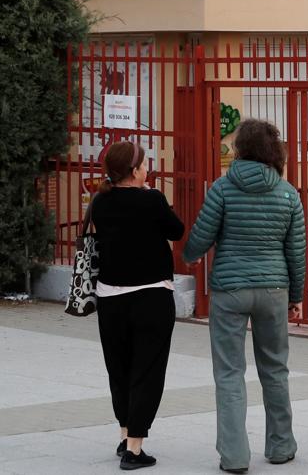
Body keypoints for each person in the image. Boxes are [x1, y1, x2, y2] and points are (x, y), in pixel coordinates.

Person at [183, 119, 306, 474]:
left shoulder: (222, 188)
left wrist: (188, 255)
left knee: (229, 373)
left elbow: (200, 238)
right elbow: (296, 252)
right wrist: (295, 295)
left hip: (229, 290)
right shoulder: (288, 193)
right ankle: (281, 446)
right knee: (276, 368)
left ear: (240, 148)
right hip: (273, 291)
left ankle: (235, 457)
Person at [91, 140, 185, 470]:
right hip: (151, 296)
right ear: (134, 171)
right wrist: (159, 203)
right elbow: (177, 230)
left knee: (119, 368)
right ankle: (134, 449)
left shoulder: (99, 203)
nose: (148, 169)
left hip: (110, 298)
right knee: (147, 370)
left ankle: (123, 432)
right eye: (145, 165)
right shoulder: (153, 200)